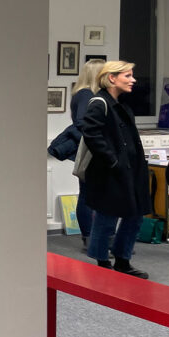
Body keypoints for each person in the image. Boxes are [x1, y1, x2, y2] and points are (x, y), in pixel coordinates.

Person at [80, 61, 150, 278]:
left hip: (132, 170)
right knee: (107, 217)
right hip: (110, 172)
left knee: (135, 214)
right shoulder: (99, 103)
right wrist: (112, 161)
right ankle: (102, 263)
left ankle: (122, 260)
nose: (133, 80)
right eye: (127, 76)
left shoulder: (122, 105)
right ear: (112, 78)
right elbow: (91, 134)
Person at [70, 59, 104, 245]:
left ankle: (93, 236)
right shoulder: (85, 94)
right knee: (87, 194)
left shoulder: (85, 93)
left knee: (90, 193)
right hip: (90, 151)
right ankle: (90, 237)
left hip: (90, 149)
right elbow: (82, 121)